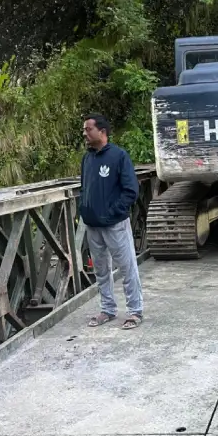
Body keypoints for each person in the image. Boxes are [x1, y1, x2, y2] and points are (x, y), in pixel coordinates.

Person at [79, 114, 143, 329]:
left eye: (88, 129)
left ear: (102, 131)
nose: (85, 133)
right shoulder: (87, 159)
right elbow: (84, 188)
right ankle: (107, 309)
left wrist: (113, 212)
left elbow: (131, 190)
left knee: (127, 268)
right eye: (84, 130)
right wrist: (84, 209)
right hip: (92, 224)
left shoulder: (119, 156)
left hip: (115, 224)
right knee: (101, 270)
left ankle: (135, 311)